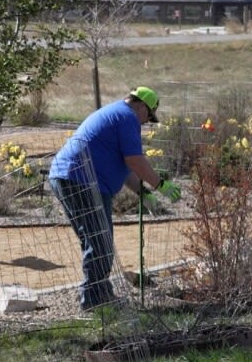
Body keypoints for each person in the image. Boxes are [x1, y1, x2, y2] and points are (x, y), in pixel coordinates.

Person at [48, 86, 182, 310]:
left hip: (73, 178)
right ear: (141, 106)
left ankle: (98, 294)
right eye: (148, 117)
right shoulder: (127, 117)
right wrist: (160, 185)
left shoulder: (117, 114)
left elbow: (126, 168)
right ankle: (95, 301)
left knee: (96, 240)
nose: (146, 122)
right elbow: (135, 161)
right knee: (100, 242)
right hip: (81, 180)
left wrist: (143, 193)